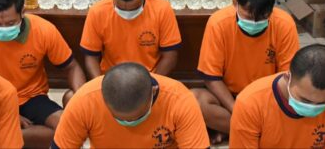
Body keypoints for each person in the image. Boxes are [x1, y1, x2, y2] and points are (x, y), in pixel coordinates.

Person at [0, 0, 86, 148]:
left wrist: (81, 98)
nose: (3, 29)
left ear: (23, 12)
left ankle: (7, 137)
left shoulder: (43, 29)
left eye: (10, 23)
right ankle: (13, 137)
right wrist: (10, 115)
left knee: (67, 128)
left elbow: (71, 67)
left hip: (32, 97)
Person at [192, 0, 299, 143]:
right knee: (194, 101)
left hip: (267, 98)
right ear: (235, 4)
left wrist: (260, 108)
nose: (254, 22)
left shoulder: (284, 24)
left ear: (272, 10)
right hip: (229, 98)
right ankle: (256, 132)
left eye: (262, 17)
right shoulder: (218, 22)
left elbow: (286, 78)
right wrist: (237, 109)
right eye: (248, 16)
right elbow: (211, 78)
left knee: (295, 106)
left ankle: (234, 130)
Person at [52, 62, 210, 148]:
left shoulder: (180, 100)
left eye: (137, 117)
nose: (129, 123)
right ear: (103, 97)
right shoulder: (85, 100)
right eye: (119, 119)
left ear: (153, 91)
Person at [230, 45, 325, 148]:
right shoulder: (251, 103)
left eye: (323, 103)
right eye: (305, 100)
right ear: (287, 78)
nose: (313, 108)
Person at [80, 0, 181, 79]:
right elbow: (90, 57)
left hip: (150, 77)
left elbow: (170, 56)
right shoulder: (97, 11)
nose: (127, 13)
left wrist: (152, 82)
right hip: (111, 78)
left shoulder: (162, 9)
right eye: (121, 9)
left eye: (134, 8)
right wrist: (101, 84)